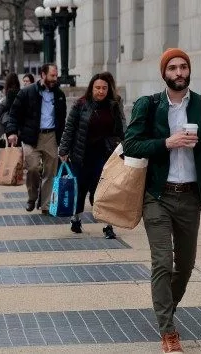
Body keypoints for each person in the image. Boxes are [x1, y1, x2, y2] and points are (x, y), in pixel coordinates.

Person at [124, 48, 201, 354]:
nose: (179, 72)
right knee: (162, 262)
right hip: (157, 196)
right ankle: (168, 331)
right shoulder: (149, 105)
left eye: (183, 66)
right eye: (172, 67)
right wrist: (167, 143)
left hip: (189, 198)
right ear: (164, 73)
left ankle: (164, 310)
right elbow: (130, 144)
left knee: (184, 266)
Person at [58, 73, 125, 238]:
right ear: (91, 88)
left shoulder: (114, 105)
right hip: (82, 155)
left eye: (104, 88)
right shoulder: (80, 104)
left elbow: (122, 128)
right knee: (80, 189)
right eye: (97, 88)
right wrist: (64, 150)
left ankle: (107, 225)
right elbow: (69, 128)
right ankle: (76, 219)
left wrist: (124, 147)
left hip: (105, 155)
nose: (100, 91)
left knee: (103, 191)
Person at [6, 63, 67, 215]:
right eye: (52, 76)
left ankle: (45, 205)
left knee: (50, 172)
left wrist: (63, 140)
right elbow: (14, 114)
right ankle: (32, 196)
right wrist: (12, 132)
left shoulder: (59, 94)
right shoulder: (27, 92)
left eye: (56, 76)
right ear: (43, 75)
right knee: (32, 168)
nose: (55, 79)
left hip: (51, 136)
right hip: (31, 136)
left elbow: (62, 119)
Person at [0, 73, 20, 138]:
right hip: (19, 122)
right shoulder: (20, 92)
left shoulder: (10, 92)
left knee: (11, 143)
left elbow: (5, 107)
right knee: (17, 143)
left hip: (10, 122)